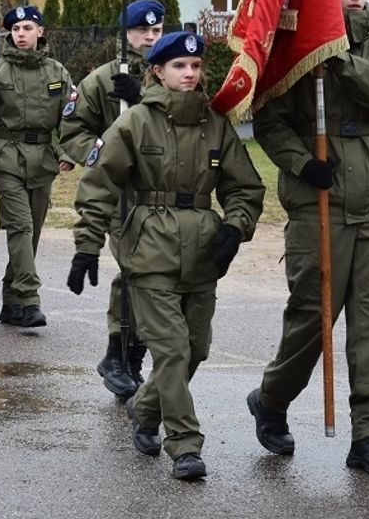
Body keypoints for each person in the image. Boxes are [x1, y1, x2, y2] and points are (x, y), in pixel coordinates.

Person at [71, 31, 265, 480]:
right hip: (149, 251)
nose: (190, 74)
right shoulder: (136, 122)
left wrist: (235, 227)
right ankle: (184, 445)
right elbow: (100, 186)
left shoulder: (215, 123)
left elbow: (245, 187)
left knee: (196, 349)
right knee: (173, 350)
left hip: (202, 254)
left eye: (196, 67)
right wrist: (87, 247)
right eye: (179, 66)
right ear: (157, 71)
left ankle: (144, 407)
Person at [246, 0, 369, 477]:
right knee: (313, 317)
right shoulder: (293, 50)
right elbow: (269, 121)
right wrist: (300, 162)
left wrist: (338, 56)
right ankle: (271, 398)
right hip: (320, 199)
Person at [61, 0, 165, 399]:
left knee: (152, 273)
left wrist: (143, 97)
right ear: (126, 34)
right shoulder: (103, 80)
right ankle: (119, 354)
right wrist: (104, 156)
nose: (150, 37)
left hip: (161, 190)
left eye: (156, 31)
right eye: (143, 31)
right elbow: (73, 130)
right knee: (135, 269)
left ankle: (130, 354)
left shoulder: (170, 74)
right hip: (121, 193)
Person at [0, 5, 75, 328]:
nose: (20, 34)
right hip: (6, 157)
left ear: (41, 32)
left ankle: (11, 301)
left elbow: (70, 120)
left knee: (32, 233)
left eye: (27, 28)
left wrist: (68, 151)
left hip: (43, 159)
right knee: (20, 227)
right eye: (16, 29)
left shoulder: (57, 72)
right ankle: (29, 298)